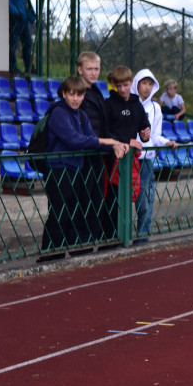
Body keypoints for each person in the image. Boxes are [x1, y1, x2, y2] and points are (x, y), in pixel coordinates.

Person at [39, 77, 128, 260]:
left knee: (72, 210)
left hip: (75, 169)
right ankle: (50, 254)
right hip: (58, 168)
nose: (75, 98)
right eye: (71, 94)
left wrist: (114, 145)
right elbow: (74, 140)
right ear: (64, 94)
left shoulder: (81, 115)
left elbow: (90, 140)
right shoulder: (58, 112)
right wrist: (106, 141)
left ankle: (71, 249)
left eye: (79, 95)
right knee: (59, 211)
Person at [75, 51, 117, 244]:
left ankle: (94, 239)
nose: (94, 73)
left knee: (97, 200)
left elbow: (104, 123)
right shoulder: (75, 92)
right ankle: (82, 243)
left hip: (99, 153)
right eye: (89, 69)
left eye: (97, 69)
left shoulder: (97, 91)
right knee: (84, 201)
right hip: (84, 155)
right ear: (79, 69)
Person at [132, 68, 176, 243]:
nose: (147, 88)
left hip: (147, 160)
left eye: (150, 84)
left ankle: (142, 237)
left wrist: (166, 142)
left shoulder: (156, 108)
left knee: (145, 201)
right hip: (128, 159)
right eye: (144, 83)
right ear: (137, 83)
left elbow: (155, 135)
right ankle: (119, 237)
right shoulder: (129, 104)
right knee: (123, 199)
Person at [104, 66, 151, 223]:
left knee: (126, 202)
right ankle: (110, 241)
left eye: (125, 85)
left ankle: (123, 238)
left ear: (131, 82)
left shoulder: (136, 105)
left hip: (130, 161)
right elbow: (104, 132)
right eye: (118, 86)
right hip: (112, 161)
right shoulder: (108, 104)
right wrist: (126, 140)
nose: (122, 89)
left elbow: (144, 129)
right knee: (111, 202)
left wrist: (145, 134)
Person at [8, 0, 36, 74]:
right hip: (16, 18)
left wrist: (31, 16)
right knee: (13, 43)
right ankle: (12, 67)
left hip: (24, 18)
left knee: (27, 43)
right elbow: (7, 0)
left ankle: (29, 67)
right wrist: (16, 12)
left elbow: (27, 3)